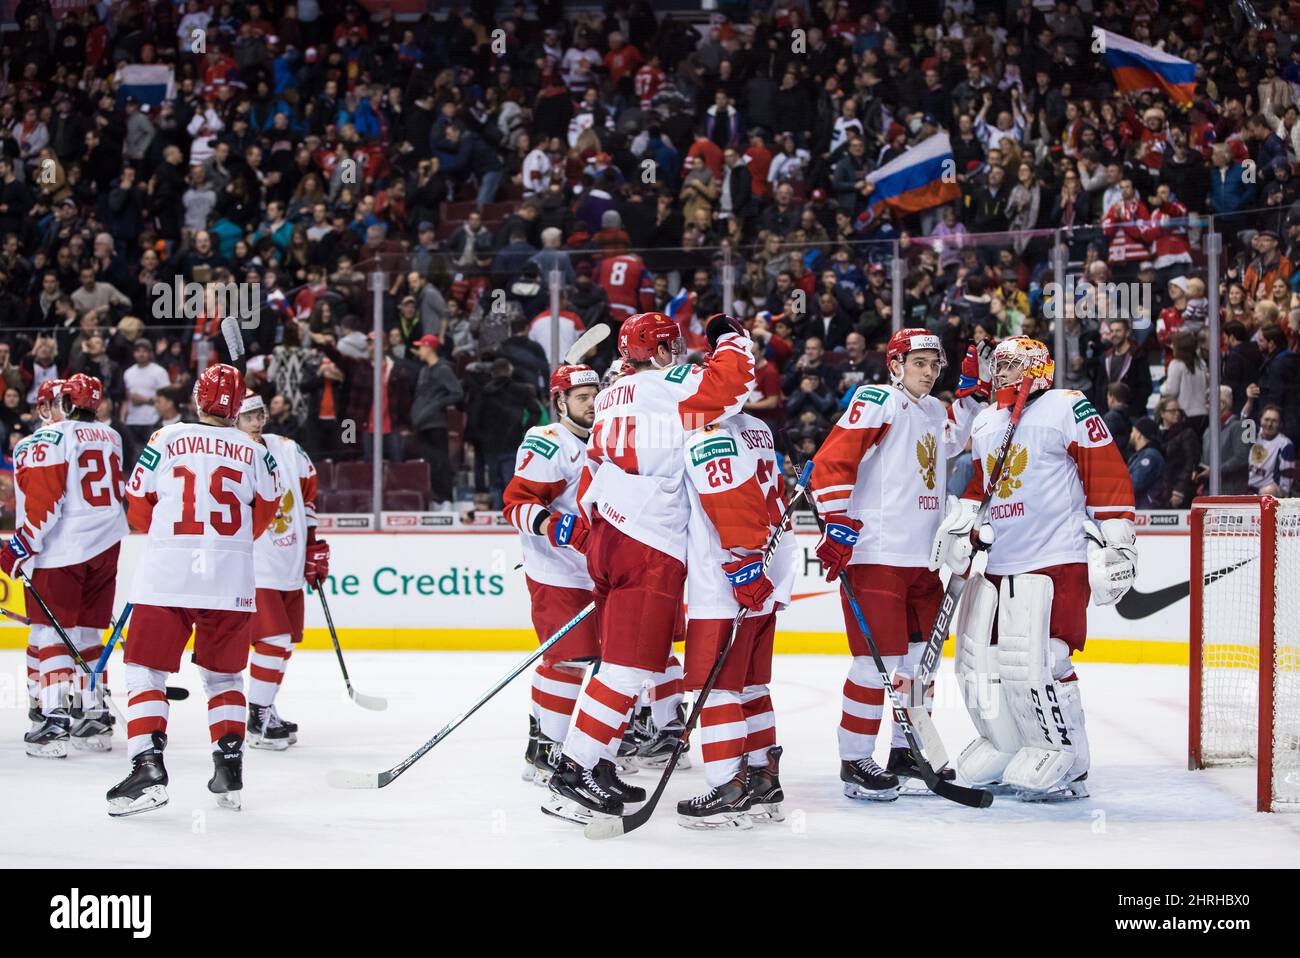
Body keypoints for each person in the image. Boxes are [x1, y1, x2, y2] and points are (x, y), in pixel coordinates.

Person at [542, 311, 755, 824]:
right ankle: (573, 770)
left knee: (620, 660)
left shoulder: (613, 392)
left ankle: (594, 762)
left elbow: (593, 464)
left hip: (608, 535)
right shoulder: (670, 384)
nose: (678, 353)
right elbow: (735, 385)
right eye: (672, 345)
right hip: (648, 540)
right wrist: (731, 338)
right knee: (628, 666)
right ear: (659, 351)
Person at [931, 337, 1136, 802]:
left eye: (1007, 367)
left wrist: (1119, 538)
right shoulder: (986, 421)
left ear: (1034, 369)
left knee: (1044, 659)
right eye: (996, 367)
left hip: (1056, 556)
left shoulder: (1066, 406)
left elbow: (1104, 469)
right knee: (982, 662)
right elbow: (985, 482)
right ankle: (1007, 745)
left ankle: (1068, 759)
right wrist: (963, 523)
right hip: (1002, 560)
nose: (998, 375)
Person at [809, 329, 989, 801]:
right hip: (878, 557)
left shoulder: (930, 410)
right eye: (919, 363)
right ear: (895, 364)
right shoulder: (876, 400)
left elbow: (951, 439)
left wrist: (970, 397)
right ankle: (855, 760)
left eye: (936, 365)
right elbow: (832, 461)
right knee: (876, 665)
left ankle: (905, 750)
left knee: (917, 667)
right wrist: (837, 523)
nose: (929, 373)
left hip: (922, 560)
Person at [109, 364, 281, 817]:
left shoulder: (165, 439)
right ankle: (229, 766)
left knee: (145, 670)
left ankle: (147, 768)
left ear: (198, 399)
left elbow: (137, 504)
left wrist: (168, 537)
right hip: (229, 577)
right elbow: (264, 514)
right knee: (224, 677)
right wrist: (228, 544)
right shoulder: (257, 452)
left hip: (168, 575)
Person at [678, 410, 795, 827]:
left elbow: (730, 502)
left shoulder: (706, 433)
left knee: (717, 688)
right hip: (767, 571)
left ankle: (728, 788)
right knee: (750, 684)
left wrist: (742, 564)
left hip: (725, 576)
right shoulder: (759, 428)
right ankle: (764, 779)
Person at [2, 375, 128, 758]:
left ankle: (54, 721)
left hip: (62, 549)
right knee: (88, 635)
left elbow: (44, 505)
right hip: (107, 546)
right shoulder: (112, 436)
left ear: (65, 404)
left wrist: (18, 548)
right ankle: (93, 715)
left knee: (50, 634)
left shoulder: (45, 440)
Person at [502, 364, 601, 785]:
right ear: (560, 402)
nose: (593, 404)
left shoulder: (605, 440)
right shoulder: (547, 441)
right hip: (557, 571)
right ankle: (546, 752)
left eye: (596, 394)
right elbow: (515, 504)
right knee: (567, 661)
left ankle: (554, 745)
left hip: (597, 571)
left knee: (601, 662)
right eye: (582, 397)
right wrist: (556, 525)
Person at [234, 391, 327, 750]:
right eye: (248, 417)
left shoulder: (288, 449)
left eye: (259, 415)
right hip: (253, 564)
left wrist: (314, 545)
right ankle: (256, 718)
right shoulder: (229, 453)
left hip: (288, 561)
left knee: (285, 643)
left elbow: (306, 499)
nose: (256, 422)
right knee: (272, 640)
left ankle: (266, 707)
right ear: (233, 421)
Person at [409, 334, 464, 510]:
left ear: (429, 348)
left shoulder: (443, 369)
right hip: (422, 423)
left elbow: (457, 392)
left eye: (421, 347)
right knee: (429, 464)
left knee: (440, 462)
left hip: (435, 424)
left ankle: (446, 499)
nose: (419, 350)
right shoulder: (424, 370)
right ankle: (436, 499)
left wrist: (437, 404)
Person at [122, 339, 170, 447]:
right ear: (134, 353)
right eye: (138, 351)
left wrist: (144, 400)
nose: (141, 354)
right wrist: (123, 418)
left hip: (152, 421)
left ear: (149, 353)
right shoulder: (128, 373)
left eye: (144, 351)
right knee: (133, 458)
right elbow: (126, 398)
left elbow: (167, 397)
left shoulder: (159, 371)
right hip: (132, 421)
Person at [1249, 404, 1296, 495]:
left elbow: (1286, 485)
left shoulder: (1285, 445)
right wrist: (1250, 401)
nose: (1269, 424)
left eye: (1274, 421)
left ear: (1279, 423)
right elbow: (1242, 421)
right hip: (1247, 487)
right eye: (1266, 420)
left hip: (1269, 492)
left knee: (1268, 490)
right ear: (1260, 419)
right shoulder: (1253, 435)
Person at [1128, 417, 1167, 509]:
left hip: (1146, 512)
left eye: (1133, 431)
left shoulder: (1149, 456)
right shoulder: (1143, 455)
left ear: (1138, 435)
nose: (1131, 435)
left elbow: (1134, 485)